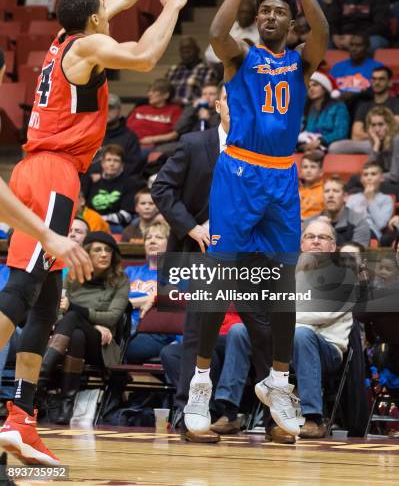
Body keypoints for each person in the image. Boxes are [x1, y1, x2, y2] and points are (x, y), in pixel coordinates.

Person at [0, 0, 221, 465]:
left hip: (45, 169)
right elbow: (146, 57)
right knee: (22, 293)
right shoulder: (90, 47)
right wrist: (171, 7)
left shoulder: (63, 39)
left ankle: (20, 421)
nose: (112, 6)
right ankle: (15, 419)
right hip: (52, 172)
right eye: (105, 8)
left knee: (45, 305)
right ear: (95, 18)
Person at [184, 0, 329, 438]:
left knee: (283, 284)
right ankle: (201, 381)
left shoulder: (301, 62)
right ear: (256, 18)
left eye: (279, 12)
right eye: (264, 11)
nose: (270, 17)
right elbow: (217, 34)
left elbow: (324, 30)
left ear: (290, 23)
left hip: (282, 177)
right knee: (217, 278)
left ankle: (279, 381)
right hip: (239, 173)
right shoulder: (240, 56)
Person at [152, 84, 292, 444]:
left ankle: (274, 414)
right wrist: (192, 227)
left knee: (262, 330)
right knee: (199, 331)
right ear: (219, 105)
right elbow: (162, 189)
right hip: (205, 252)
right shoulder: (194, 144)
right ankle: (189, 416)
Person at [40, 232, 129, 424]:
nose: (104, 254)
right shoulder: (71, 277)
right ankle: (66, 406)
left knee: (73, 315)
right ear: (86, 254)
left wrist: (75, 310)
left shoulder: (121, 280)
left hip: (102, 347)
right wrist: (95, 324)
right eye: (98, 250)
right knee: (77, 335)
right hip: (74, 340)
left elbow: (113, 317)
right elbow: (57, 312)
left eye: (108, 250)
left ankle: (40, 378)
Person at [294, 219, 353, 438]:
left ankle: (313, 418)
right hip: (289, 345)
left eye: (323, 237)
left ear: (333, 247)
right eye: (310, 237)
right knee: (240, 333)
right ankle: (229, 411)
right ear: (302, 244)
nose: (316, 242)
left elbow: (323, 313)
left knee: (301, 334)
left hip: (328, 350)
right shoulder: (289, 275)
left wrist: (285, 317)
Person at [124, 222, 177, 363]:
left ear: (169, 243)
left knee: (123, 348)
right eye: (148, 238)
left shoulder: (176, 273)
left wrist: (128, 302)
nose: (152, 240)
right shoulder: (130, 271)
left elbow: (171, 299)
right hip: (123, 326)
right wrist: (148, 299)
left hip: (156, 333)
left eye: (159, 237)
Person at [82, 144, 144, 233]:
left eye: (116, 160)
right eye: (108, 160)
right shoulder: (93, 182)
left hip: (115, 226)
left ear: (122, 164)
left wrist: (99, 219)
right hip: (91, 223)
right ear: (102, 163)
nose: (112, 164)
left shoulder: (130, 184)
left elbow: (126, 216)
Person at [89, 93, 143, 176]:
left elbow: (133, 167)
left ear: (119, 110)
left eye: (110, 108)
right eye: (103, 108)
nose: (106, 111)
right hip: (88, 183)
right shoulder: (90, 134)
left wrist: (105, 177)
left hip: (117, 184)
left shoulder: (130, 137)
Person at [126, 78, 182, 154]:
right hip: (129, 143)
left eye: (154, 91)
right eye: (149, 91)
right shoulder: (140, 109)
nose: (149, 94)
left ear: (166, 95)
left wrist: (152, 139)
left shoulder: (175, 110)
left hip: (153, 146)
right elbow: (125, 128)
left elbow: (174, 134)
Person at [298, 71, 349, 152]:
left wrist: (320, 141)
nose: (311, 89)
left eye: (315, 85)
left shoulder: (339, 107)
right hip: (308, 143)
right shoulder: (305, 107)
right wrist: (302, 146)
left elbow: (341, 132)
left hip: (328, 144)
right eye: (308, 86)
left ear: (325, 88)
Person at [366, 106, 399, 200]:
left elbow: (396, 176)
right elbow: (368, 170)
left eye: (381, 124)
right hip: (389, 184)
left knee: (366, 185)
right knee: (358, 184)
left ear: (389, 125)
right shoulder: (377, 141)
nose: (377, 129)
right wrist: (376, 145)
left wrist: (371, 177)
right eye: (373, 125)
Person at [316, 176, 371, 247]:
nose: (330, 195)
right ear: (322, 197)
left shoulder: (359, 222)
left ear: (345, 197)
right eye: (326, 191)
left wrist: (330, 230)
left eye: (335, 191)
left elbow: (357, 255)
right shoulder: (311, 222)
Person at [346, 162, 394, 241]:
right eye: (365, 175)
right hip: (351, 231)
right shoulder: (352, 198)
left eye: (373, 174)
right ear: (361, 179)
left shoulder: (386, 199)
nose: (369, 178)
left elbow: (380, 224)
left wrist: (370, 199)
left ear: (381, 178)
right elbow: (346, 220)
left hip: (372, 233)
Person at [165, 36, 218, 104]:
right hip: (171, 109)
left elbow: (210, 97)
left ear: (198, 50)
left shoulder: (208, 71)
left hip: (193, 110)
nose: (185, 52)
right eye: (182, 50)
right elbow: (163, 92)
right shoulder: (173, 71)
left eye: (189, 49)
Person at [204, 0, 258, 66]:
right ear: (237, 13)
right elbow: (208, 53)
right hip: (221, 67)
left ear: (254, 15)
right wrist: (224, 63)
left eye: (248, 13)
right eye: (242, 12)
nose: (244, 16)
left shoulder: (259, 32)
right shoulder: (227, 27)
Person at [298, 152, 325, 221]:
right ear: (301, 171)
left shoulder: (325, 190)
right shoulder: (294, 190)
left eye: (313, 167)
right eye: (305, 167)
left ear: (321, 172)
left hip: (315, 226)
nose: (308, 170)